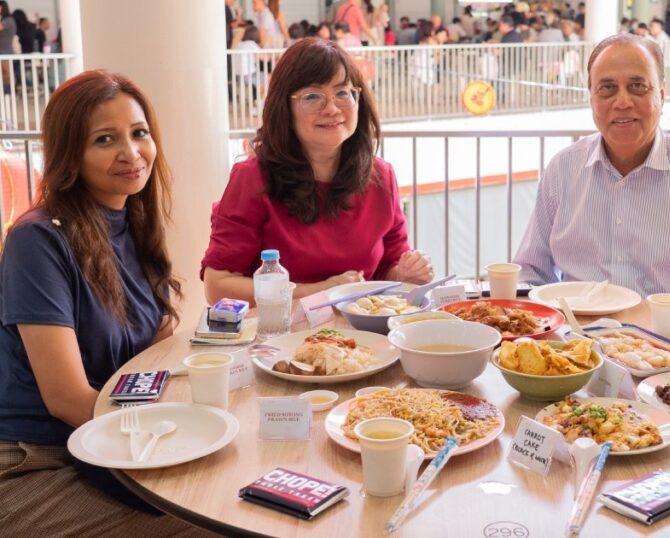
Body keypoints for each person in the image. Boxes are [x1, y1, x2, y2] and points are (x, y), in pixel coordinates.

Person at [0, 70, 205, 535]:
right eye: (105, 139)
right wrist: (168, 437)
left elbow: (155, 362)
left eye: (139, 133)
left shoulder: (134, 223)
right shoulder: (37, 240)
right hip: (34, 461)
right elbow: (68, 399)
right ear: (70, 153)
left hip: (107, 445)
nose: (131, 153)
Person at [514, 34, 670, 322]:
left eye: (637, 87)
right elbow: (530, 273)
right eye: (607, 88)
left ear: (661, 95)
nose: (622, 101)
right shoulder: (562, 170)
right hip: (574, 352)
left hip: (669, 352)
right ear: (591, 98)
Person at [203, 38, 432, 305]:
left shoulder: (380, 177)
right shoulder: (253, 178)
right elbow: (218, 285)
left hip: (361, 339)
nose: (332, 108)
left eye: (343, 93)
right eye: (312, 97)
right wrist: (320, 291)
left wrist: (405, 273)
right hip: (280, 338)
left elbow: (386, 267)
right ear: (284, 108)